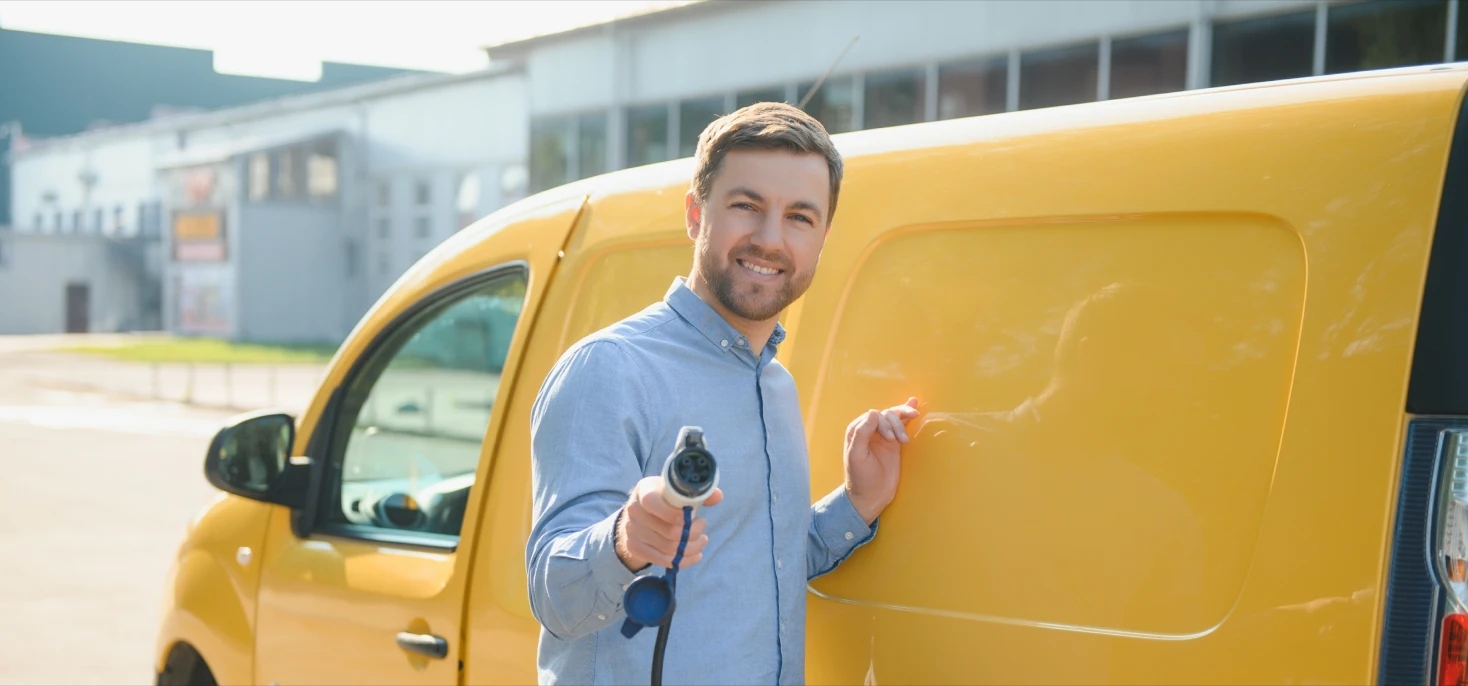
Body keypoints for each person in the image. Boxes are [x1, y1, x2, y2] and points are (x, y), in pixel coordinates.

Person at [525, 102, 922, 685]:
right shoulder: (609, 369)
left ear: (822, 236)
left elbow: (759, 565)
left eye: (799, 217)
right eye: (746, 206)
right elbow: (555, 597)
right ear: (695, 212)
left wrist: (858, 504)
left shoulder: (773, 383)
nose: (769, 239)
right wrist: (623, 541)